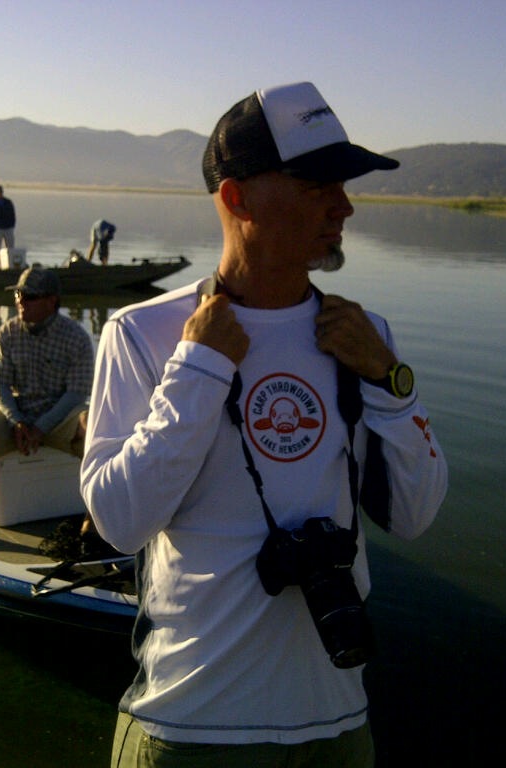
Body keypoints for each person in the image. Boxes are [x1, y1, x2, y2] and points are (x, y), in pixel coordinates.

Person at [80, 82, 448, 767]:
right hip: (190, 728)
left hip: (337, 726)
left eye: (344, 185)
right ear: (237, 198)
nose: (344, 205)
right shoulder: (143, 334)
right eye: (317, 185)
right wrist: (197, 370)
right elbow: (120, 521)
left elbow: (415, 514)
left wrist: (391, 382)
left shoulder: (364, 336)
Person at [0, 266, 93, 545]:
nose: (21, 302)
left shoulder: (77, 338)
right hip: (20, 413)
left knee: (93, 427)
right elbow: (0, 384)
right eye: (18, 295)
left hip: (61, 415)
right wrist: (17, 420)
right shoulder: (7, 333)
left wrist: (41, 427)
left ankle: (93, 519)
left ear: (51, 301)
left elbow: (76, 394)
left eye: (29, 296)